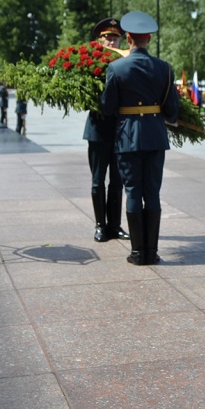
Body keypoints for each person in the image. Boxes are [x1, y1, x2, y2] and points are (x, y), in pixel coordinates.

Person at [100, 11, 180, 265]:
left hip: (127, 137)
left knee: (133, 191)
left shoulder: (115, 68)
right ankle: (152, 252)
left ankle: (137, 253)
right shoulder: (164, 69)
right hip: (155, 136)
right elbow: (171, 110)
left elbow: (108, 108)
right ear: (148, 38)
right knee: (153, 193)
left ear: (128, 39)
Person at [83, 17, 128, 243]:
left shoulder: (125, 64)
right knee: (98, 180)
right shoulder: (91, 65)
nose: (112, 42)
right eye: (107, 38)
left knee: (117, 181)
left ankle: (115, 225)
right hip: (98, 130)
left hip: (120, 130)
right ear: (99, 40)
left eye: (115, 38)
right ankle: (100, 225)